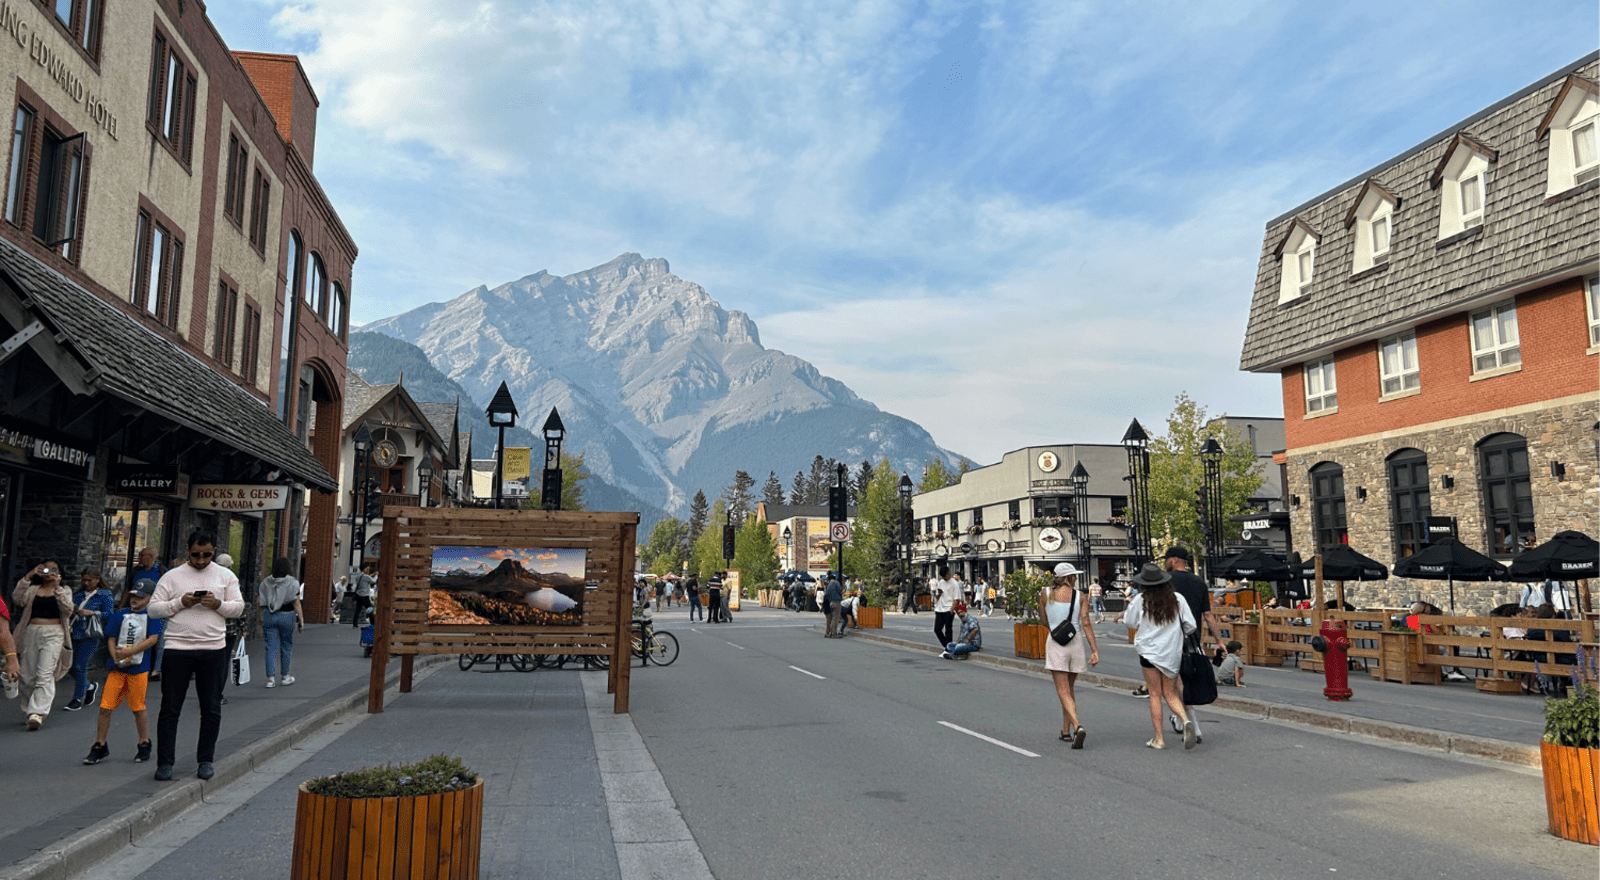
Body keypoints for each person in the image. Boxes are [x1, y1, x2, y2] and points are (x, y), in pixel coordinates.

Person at [147, 530, 244, 781]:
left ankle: (205, 760)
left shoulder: (225, 575)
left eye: (207, 555)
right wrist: (180, 603)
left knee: (210, 707)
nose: (201, 560)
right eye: (196, 555)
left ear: (214, 551)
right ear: (187, 551)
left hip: (213, 649)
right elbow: (153, 609)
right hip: (177, 649)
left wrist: (218, 605)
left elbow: (238, 607)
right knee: (170, 708)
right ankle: (165, 762)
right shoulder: (172, 576)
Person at [83, 579, 164, 765]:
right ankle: (100, 744)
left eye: (140, 597)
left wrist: (130, 653)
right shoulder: (120, 614)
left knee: (138, 707)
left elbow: (152, 639)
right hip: (117, 669)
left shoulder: (153, 616)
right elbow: (111, 638)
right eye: (133, 595)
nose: (135, 599)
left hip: (138, 669)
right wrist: (116, 657)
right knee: (105, 707)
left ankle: (144, 742)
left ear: (150, 598)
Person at [1122, 562, 1197, 749]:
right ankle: (1186, 721)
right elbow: (1191, 625)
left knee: (1155, 694)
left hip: (1148, 652)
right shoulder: (1177, 599)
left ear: (1144, 584)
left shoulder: (1141, 599)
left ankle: (1159, 739)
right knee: (1170, 693)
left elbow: (1129, 622)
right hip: (1171, 652)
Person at [1163, 546, 1227, 743]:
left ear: (1173, 560)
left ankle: (1191, 726)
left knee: (1175, 684)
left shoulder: (1165, 581)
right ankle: (1179, 718)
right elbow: (1208, 615)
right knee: (1182, 680)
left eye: (1166, 560)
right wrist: (1219, 641)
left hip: (1168, 637)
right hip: (1192, 637)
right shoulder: (1199, 582)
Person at [1040, 562, 1098, 748]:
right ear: (1069, 577)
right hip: (1075, 642)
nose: (1075, 578)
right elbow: (1086, 623)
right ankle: (1065, 731)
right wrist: (1094, 650)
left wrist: (1054, 630)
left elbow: (1043, 619)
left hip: (1056, 641)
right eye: (1074, 575)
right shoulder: (1079, 595)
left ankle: (1077, 726)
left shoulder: (1045, 594)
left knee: (1062, 690)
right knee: (1070, 690)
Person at [11, 562, 74, 730]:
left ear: (60, 572)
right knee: (27, 675)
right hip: (31, 632)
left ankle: (37, 712)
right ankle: (28, 710)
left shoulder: (64, 590)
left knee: (44, 674)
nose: (49, 572)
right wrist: (28, 576)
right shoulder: (33, 589)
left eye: (54, 569)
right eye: (46, 568)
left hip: (54, 633)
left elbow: (68, 609)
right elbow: (17, 599)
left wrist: (57, 586)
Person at [66, 569, 114, 711]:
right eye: (84, 580)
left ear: (97, 579)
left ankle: (77, 698)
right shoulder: (78, 595)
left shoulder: (104, 595)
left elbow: (109, 614)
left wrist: (92, 612)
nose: (86, 583)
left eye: (89, 580)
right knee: (70, 666)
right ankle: (89, 686)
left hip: (90, 634)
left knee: (81, 666)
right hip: (75, 631)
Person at [256, 557, 303, 688]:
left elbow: (259, 602)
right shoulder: (293, 582)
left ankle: (270, 679)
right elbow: (297, 602)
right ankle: (285, 676)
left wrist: (260, 618)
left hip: (269, 616)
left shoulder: (265, 582)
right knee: (286, 647)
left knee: (270, 648)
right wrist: (301, 620)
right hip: (287, 616)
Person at [131, 548, 167, 681]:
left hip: (157, 610)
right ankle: (141, 666)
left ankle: (156, 670)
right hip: (140, 610)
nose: (139, 557)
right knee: (140, 638)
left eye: (142, 555)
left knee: (158, 641)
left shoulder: (162, 571)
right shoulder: (137, 572)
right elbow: (129, 589)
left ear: (150, 556)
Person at [929, 565, 960, 649]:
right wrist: (938, 594)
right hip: (940, 608)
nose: (944, 578)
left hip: (949, 608)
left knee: (948, 629)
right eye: (942, 576)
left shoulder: (954, 583)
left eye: (945, 576)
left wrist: (952, 609)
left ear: (948, 573)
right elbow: (937, 597)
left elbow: (956, 598)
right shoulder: (941, 582)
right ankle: (946, 645)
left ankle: (948, 647)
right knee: (937, 629)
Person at [351, 562, 376, 628]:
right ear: (365, 569)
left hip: (358, 595)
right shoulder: (366, 577)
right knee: (370, 609)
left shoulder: (357, 576)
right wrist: (375, 575)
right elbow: (373, 581)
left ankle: (354, 623)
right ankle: (373, 623)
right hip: (365, 595)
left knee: (358, 609)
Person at [822, 573, 844, 638]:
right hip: (836, 601)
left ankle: (830, 632)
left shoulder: (828, 585)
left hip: (831, 602)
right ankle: (834, 633)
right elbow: (840, 591)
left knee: (831, 619)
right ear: (834, 578)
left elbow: (827, 594)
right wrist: (843, 591)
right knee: (835, 618)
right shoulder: (836, 582)